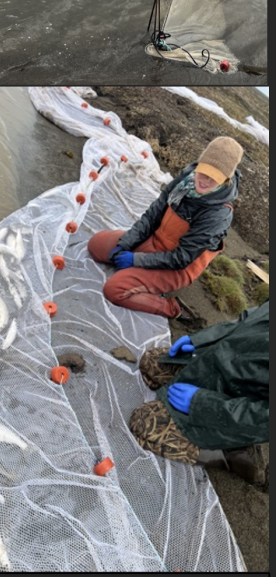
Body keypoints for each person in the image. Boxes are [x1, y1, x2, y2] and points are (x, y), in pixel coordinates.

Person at [86, 137, 242, 319]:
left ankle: (171, 307)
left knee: (114, 290)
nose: (205, 181)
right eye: (204, 172)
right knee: (97, 244)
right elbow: (154, 214)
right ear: (199, 165)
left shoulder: (218, 214)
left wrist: (135, 260)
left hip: (176, 266)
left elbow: (181, 258)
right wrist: (125, 243)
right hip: (154, 241)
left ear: (225, 180)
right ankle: (136, 273)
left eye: (213, 178)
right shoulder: (186, 180)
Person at [128, 302, 268, 485]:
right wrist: (199, 341)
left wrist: (201, 403)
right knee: (152, 362)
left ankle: (232, 453)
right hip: (217, 365)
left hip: (232, 409)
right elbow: (247, 319)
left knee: (144, 424)